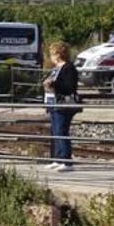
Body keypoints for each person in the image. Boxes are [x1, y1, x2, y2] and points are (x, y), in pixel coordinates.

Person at [43, 41, 81, 172]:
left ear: (58, 54)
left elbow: (69, 87)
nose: (51, 57)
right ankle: (57, 158)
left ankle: (67, 160)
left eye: (52, 54)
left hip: (64, 104)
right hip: (53, 102)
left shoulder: (68, 68)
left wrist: (53, 85)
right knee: (55, 131)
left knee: (61, 130)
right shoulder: (56, 68)